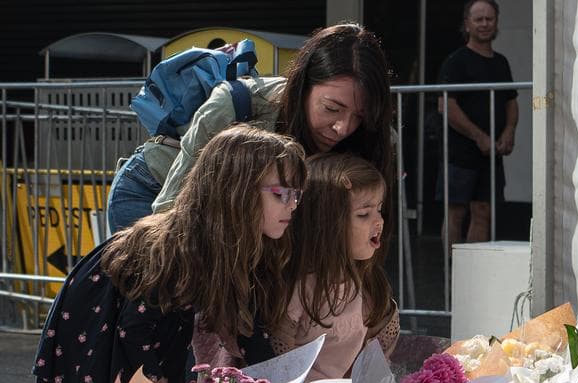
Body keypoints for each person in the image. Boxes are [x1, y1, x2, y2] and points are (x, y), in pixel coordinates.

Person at [35, 126, 306, 383]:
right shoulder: (181, 246)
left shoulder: (240, 245)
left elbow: (250, 332)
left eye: (297, 194)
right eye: (282, 193)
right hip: (102, 326)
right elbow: (133, 330)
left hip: (156, 332)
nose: (293, 205)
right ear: (237, 191)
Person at [106, 23, 394, 235]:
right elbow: (169, 217)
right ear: (302, 87)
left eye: (359, 116)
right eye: (332, 108)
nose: (343, 127)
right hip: (154, 195)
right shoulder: (235, 103)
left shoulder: (371, 140)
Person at [272, 153, 399, 381]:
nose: (379, 221)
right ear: (327, 224)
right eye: (364, 214)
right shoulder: (299, 288)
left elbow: (375, 356)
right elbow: (280, 364)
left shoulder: (366, 283)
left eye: (379, 209)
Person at [438, 0, 519, 244]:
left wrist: (509, 131)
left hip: (491, 154)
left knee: (483, 211)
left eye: (489, 19)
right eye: (478, 19)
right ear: (467, 24)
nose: (484, 24)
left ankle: (475, 275)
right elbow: (446, 106)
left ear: (496, 23)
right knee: (455, 213)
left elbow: (511, 102)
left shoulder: (501, 62)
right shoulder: (456, 61)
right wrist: (478, 136)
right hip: (460, 154)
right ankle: (452, 275)